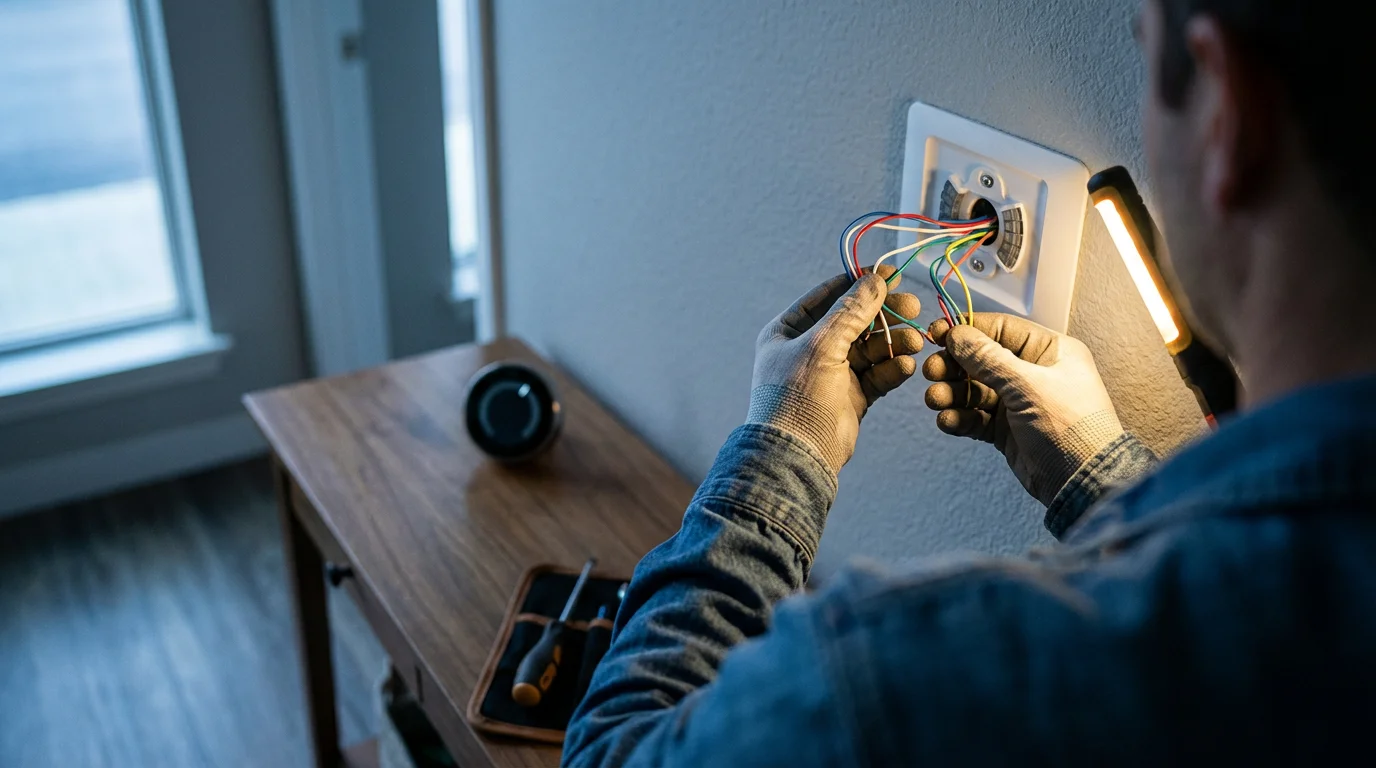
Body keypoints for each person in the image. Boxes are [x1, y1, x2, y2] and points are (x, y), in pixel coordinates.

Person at [563, 0, 1376, 763]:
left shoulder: (906, 675)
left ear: (1227, 117)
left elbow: (618, 749)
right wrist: (1100, 477)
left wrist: (780, 453)